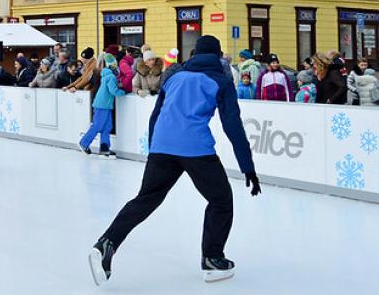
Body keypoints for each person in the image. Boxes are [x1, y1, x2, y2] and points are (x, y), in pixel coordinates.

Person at [88, 35, 261, 286]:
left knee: (146, 199)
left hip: (162, 146)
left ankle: (107, 243)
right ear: (218, 55)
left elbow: (156, 115)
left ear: (194, 54)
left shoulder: (174, 77)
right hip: (195, 149)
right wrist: (248, 167)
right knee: (221, 201)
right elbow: (232, 127)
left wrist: (154, 150)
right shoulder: (221, 81)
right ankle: (213, 259)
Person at [78, 53, 125, 157]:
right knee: (98, 125)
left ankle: (105, 148)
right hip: (102, 105)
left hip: (105, 105)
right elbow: (113, 91)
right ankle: (84, 143)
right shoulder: (110, 76)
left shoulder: (106, 75)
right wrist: (123, 92)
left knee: (107, 127)